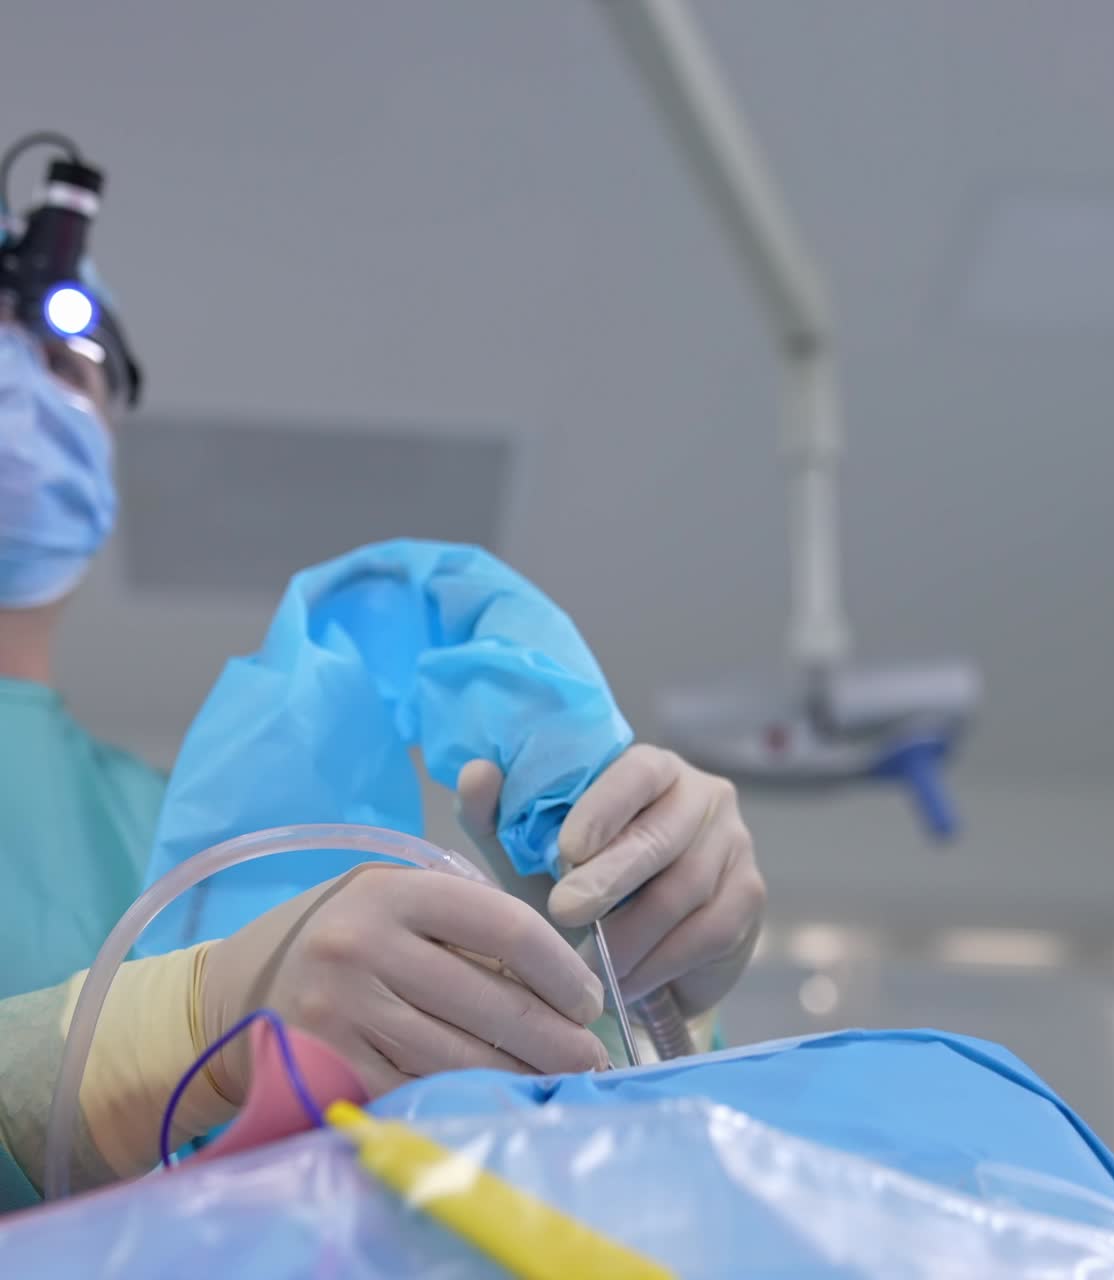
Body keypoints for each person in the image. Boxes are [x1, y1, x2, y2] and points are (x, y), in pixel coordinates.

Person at [0, 137, 766, 1207]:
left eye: (57, 361)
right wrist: (170, 1025)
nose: (18, 392)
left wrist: (638, 986)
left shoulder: (178, 834)